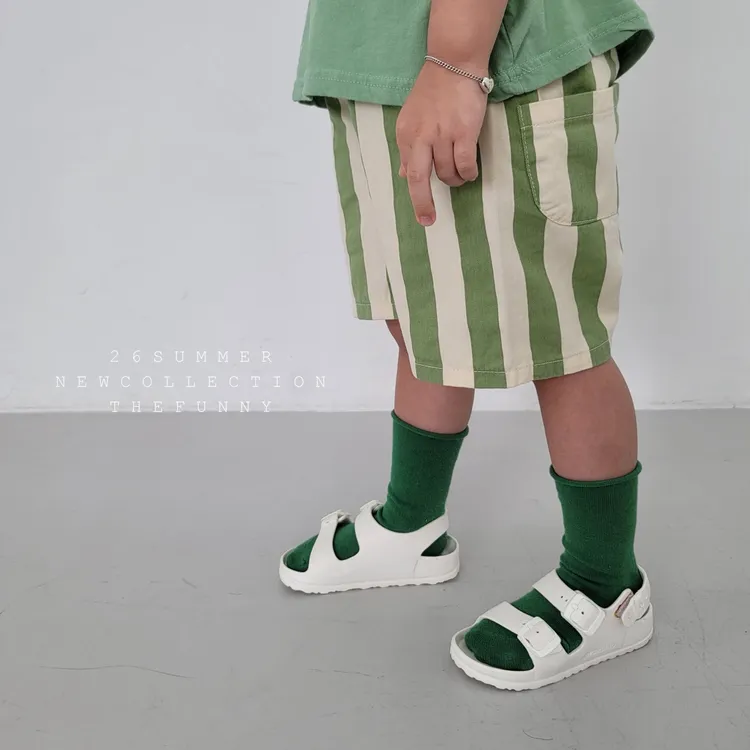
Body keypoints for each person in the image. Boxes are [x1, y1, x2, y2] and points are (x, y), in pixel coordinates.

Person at [279, 0, 655, 690]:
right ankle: (412, 525)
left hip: (493, 66)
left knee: (562, 337)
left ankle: (607, 586)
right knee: (419, 314)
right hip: (387, 68)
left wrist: (456, 59)